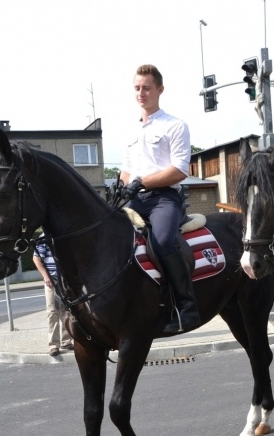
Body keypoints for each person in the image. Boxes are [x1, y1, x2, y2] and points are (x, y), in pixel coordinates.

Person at [119, 64, 200, 334]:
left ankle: (187, 307)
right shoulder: (131, 131)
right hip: (133, 199)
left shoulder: (175, 126)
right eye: (137, 88)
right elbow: (127, 170)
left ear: (160, 90)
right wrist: (121, 189)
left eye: (147, 88)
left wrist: (141, 182)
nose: (141, 93)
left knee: (162, 240)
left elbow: (179, 170)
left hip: (164, 199)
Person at [33, 234, 73, 357]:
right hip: (51, 281)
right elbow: (36, 258)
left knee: (67, 311)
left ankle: (66, 341)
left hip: (66, 280)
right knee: (52, 312)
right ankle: (53, 345)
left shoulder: (64, 233)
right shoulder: (44, 237)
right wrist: (46, 277)